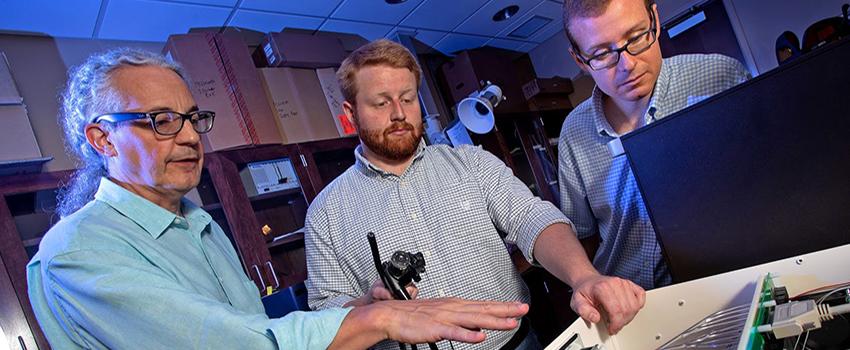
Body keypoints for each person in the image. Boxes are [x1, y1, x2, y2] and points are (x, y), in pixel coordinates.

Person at [26, 48, 531, 350]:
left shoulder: (196, 223)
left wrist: (359, 305)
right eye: (160, 120)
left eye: (192, 118)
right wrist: (378, 319)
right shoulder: (77, 250)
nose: (187, 137)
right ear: (103, 140)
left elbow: (255, 324)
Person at [304, 39, 645, 350]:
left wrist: (584, 276)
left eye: (408, 99)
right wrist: (369, 307)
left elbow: (532, 218)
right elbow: (324, 316)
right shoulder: (326, 213)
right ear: (351, 114)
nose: (398, 113)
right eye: (381, 102)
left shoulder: (472, 163)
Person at [558, 0, 750, 290]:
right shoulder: (574, 132)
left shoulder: (719, 78)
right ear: (580, 61)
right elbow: (583, 237)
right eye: (601, 54)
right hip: (631, 302)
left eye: (636, 38)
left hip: (727, 279)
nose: (628, 65)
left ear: (655, 21)